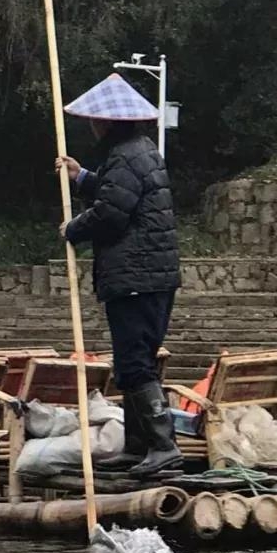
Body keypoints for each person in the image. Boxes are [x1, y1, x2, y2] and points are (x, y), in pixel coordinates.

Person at [55, 73, 182, 478]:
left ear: (107, 122)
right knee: (134, 361)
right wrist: (83, 178)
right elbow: (116, 192)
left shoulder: (127, 155)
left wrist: (73, 229)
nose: (92, 126)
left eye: (95, 120)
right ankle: (138, 446)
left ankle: (163, 445)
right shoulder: (136, 152)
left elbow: (112, 214)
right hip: (150, 274)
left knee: (134, 363)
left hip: (136, 276)